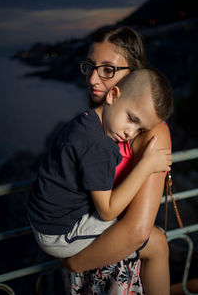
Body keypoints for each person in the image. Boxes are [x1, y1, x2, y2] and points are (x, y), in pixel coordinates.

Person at [28, 67, 173, 294]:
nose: (130, 133)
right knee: (151, 240)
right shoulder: (100, 146)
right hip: (58, 234)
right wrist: (145, 166)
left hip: (42, 219)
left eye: (140, 128)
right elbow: (107, 212)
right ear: (113, 95)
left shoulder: (84, 123)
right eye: (131, 119)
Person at [61, 26, 173, 295]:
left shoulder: (151, 130)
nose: (93, 79)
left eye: (108, 70)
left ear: (133, 74)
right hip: (82, 248)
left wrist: (75, 262)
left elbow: (136, 230)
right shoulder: (97, 124)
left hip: (109, 262)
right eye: (90, 67)